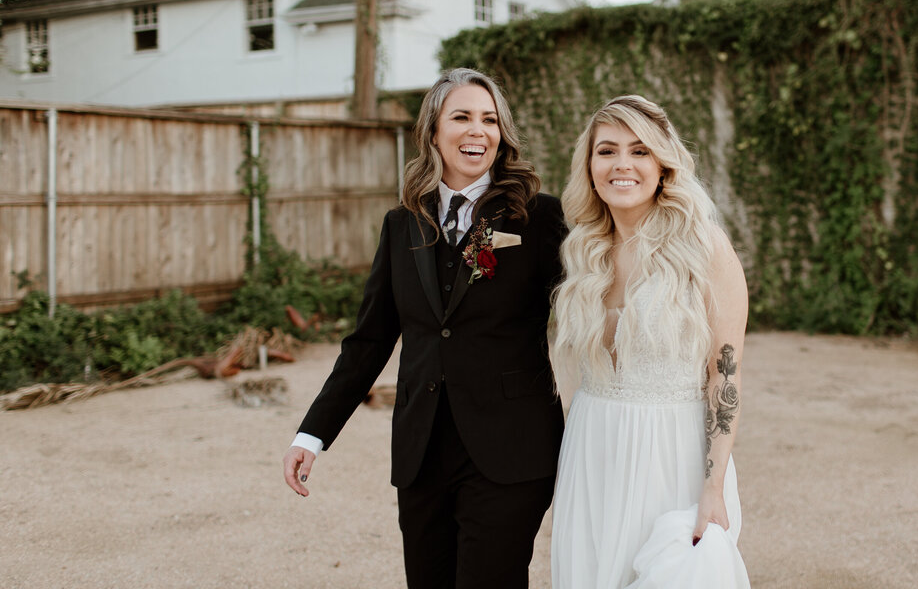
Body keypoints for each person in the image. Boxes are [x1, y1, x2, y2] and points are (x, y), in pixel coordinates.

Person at [282, 67, 567, 589]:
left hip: (511, 448)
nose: (476, 130)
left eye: (489, 119)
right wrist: (313, 432)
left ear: (501, 134)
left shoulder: (538, 217)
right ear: (433, 131)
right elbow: (369, 341)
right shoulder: (401, 224)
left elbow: (587, 305)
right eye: (461, 117)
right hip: (421, 452)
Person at [550, 95, 751, 589]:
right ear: (589, 164)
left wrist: (713, 486)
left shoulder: (703, 246)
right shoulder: (583, 249)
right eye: (607, 151)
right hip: (591, 452)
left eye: (640, 151)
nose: (622, 164)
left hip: (672, 454)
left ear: (663, 165)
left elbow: (724, 374)